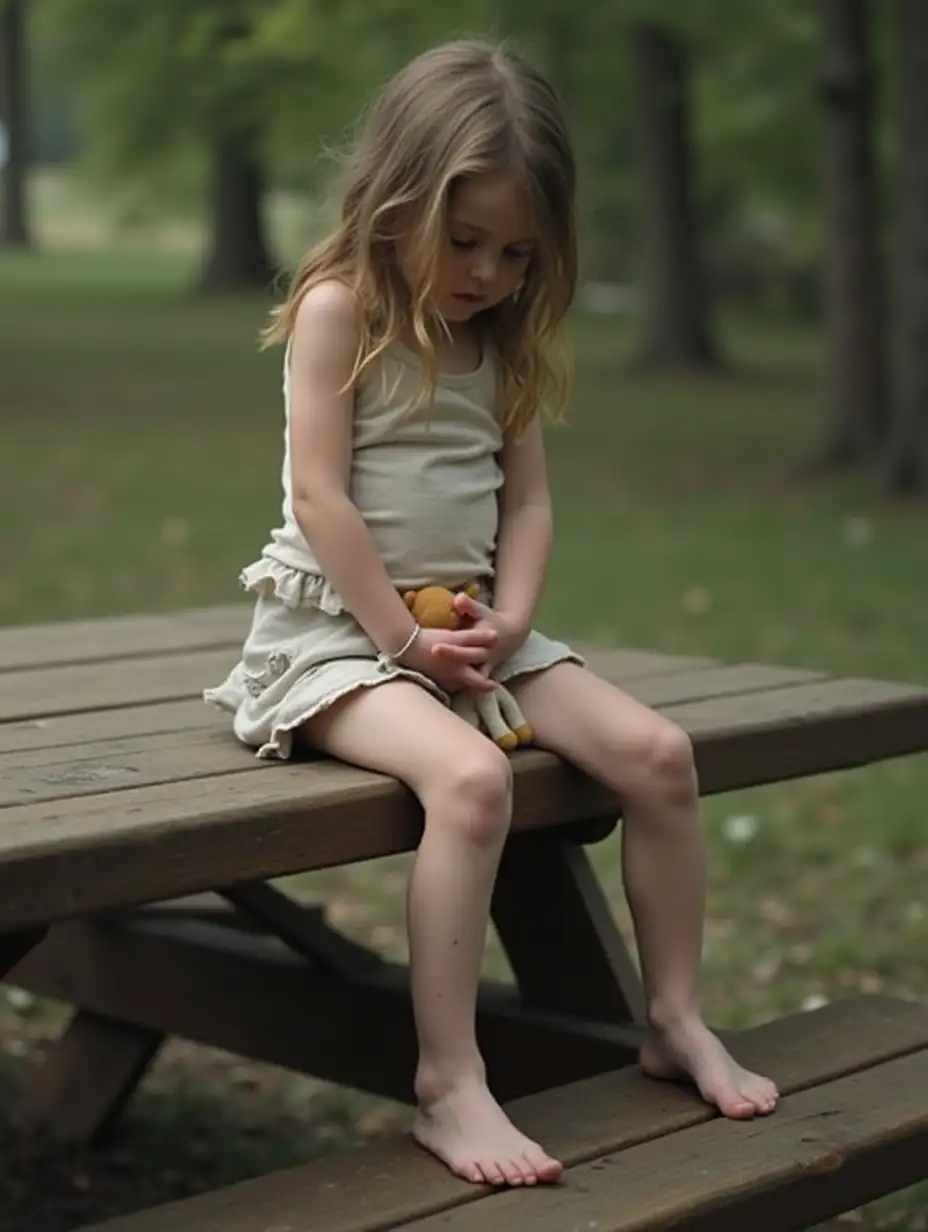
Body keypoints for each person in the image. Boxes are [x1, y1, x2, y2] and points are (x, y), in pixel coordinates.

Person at [205, 37, 778, 1190]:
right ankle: (448, 1079)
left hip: (470, 628)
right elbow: (320, 498)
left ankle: (669, 1016)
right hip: (332, 632)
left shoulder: (502, 336)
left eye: (517, 251)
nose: (486, 272)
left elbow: (529, 502)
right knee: (471, 784)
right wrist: (405, 644)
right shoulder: (340, 311)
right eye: (464, 241)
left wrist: (508, 620)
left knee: (659, 755)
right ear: (398, 197)